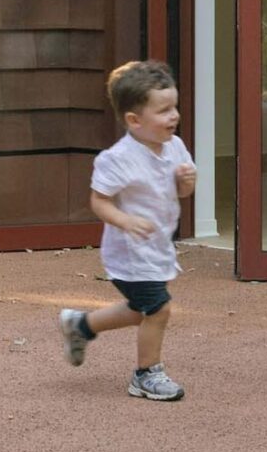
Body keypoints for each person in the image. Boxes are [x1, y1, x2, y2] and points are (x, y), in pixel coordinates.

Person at [58, 60, 196, 400]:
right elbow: (99, 201)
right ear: (134, 120)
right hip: (130, 253)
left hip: (157, 247)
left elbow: (182, 193)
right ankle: (146, 374)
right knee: (158, 309)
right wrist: (125, 221)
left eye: (174, 107)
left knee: (139, 309)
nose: (174, 116)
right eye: (163, 111)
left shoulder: (175, 146)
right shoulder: (117, 158)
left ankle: (81, 326)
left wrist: (185, 182)